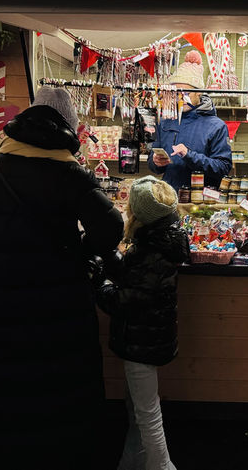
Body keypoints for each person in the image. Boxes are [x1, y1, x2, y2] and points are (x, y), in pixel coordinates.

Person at [0, 87, 124, 470]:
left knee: (6, 393)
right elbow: (112, 227)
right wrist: (79, 251)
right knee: (59, 394)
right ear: (65, 131)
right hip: (60, 308)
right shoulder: (71, 174)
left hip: (2, 310)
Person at [96, 176, 189, 470]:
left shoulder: (149, 250)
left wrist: (99, 284)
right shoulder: (160, 242)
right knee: (137, 409)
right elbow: (137, 283)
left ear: (139, 215)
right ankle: (131, 462)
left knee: (147, 413)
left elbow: (125, 300)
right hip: (150, 334)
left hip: (141, 339)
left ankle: (161, 466)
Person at [148, 49, 232, 190]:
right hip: (169, 198)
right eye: (176, 94)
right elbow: (152, 163)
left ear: (198, 92)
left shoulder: (216, 126)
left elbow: (223, 168)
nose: (181, 98)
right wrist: (155, 162)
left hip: (201, 202)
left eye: (186, 93)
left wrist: (189, 155)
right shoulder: (164, 121)